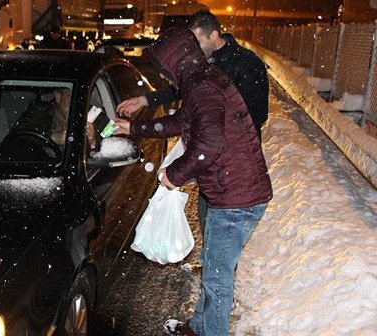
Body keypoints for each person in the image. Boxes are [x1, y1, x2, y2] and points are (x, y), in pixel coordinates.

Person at [113, 26, 273, 336]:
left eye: (164, 67)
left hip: (236, 198)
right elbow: (180, 122)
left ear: (175, 62)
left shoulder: (202, 87)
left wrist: (174, 175)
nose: (164, 75)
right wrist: (135, 128)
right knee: (214, 270)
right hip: (234, 191)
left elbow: (208, 145)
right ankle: (201, 327)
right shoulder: (202, 82)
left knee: (216, 277)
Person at [116, 9, 269, 232]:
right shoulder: (200, 70)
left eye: (196, 40)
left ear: (214, 35)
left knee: (222, 226)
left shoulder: (245, 64)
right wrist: (145, 101)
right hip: (215, 165)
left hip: (232, 164)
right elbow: (182, 96)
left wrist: (226, 137)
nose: (192, 48)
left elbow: (255, 114)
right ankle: (213, 254)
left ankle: (216, 258)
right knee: (208, 215)